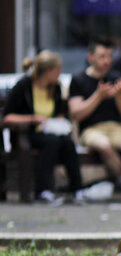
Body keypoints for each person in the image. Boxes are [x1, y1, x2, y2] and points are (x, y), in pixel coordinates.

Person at [68, 38, 121, 204]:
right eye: (102, 56)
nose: (107, 61)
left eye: (109, 56)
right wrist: (98, 96)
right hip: (91, 129)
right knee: (104, 145)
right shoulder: (78, 79)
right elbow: (76, 114)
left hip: (116, 128)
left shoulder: (116, 77)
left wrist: (119, 95)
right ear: (90, 57)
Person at [1, 50, 87, 206]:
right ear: (48, 71)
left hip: (51, 131)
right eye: (58, 70)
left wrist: (59, 119)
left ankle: (77, 189)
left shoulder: (56, 88)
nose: (60, 75)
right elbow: (7, 117)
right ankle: (43, 190)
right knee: (52, 142)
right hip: (27, 133)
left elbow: (61, 112)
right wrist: (33, 119)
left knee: (67, 142)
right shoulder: (24, 86)